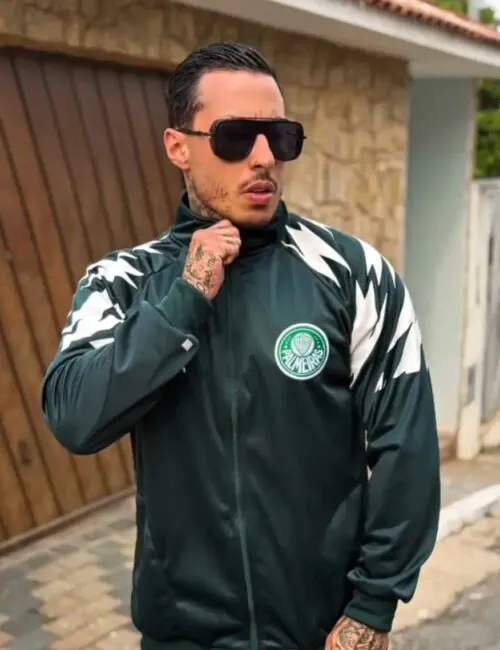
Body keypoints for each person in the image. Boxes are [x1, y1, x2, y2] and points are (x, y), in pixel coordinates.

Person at [40, 41, 440, 650]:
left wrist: (372, 606)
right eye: (235, 138)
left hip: (323, 634)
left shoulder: (354, 274)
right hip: (181, 636)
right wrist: (185, 298)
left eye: (279, 137)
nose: (263, 157)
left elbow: (406, 447)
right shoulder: (123, 281)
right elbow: (75, 417)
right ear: (178, 146)